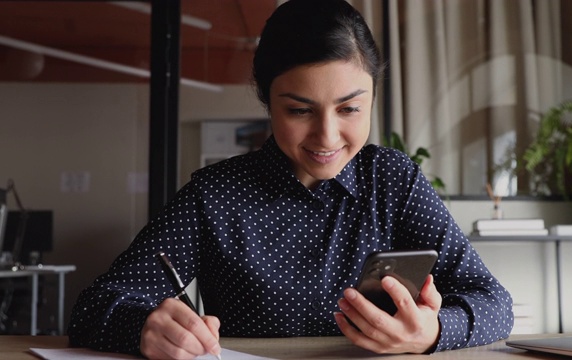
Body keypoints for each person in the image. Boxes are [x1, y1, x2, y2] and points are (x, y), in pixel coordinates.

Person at [68, 0, 514, 358]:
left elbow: (495, 303)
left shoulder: (394, 182)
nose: (327, 136)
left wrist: (433, 331)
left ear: (374, 95)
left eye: (350, 108)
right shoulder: (216, 195)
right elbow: (93, 308)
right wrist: (147, 327)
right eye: (299, 110)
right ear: (267, 100)